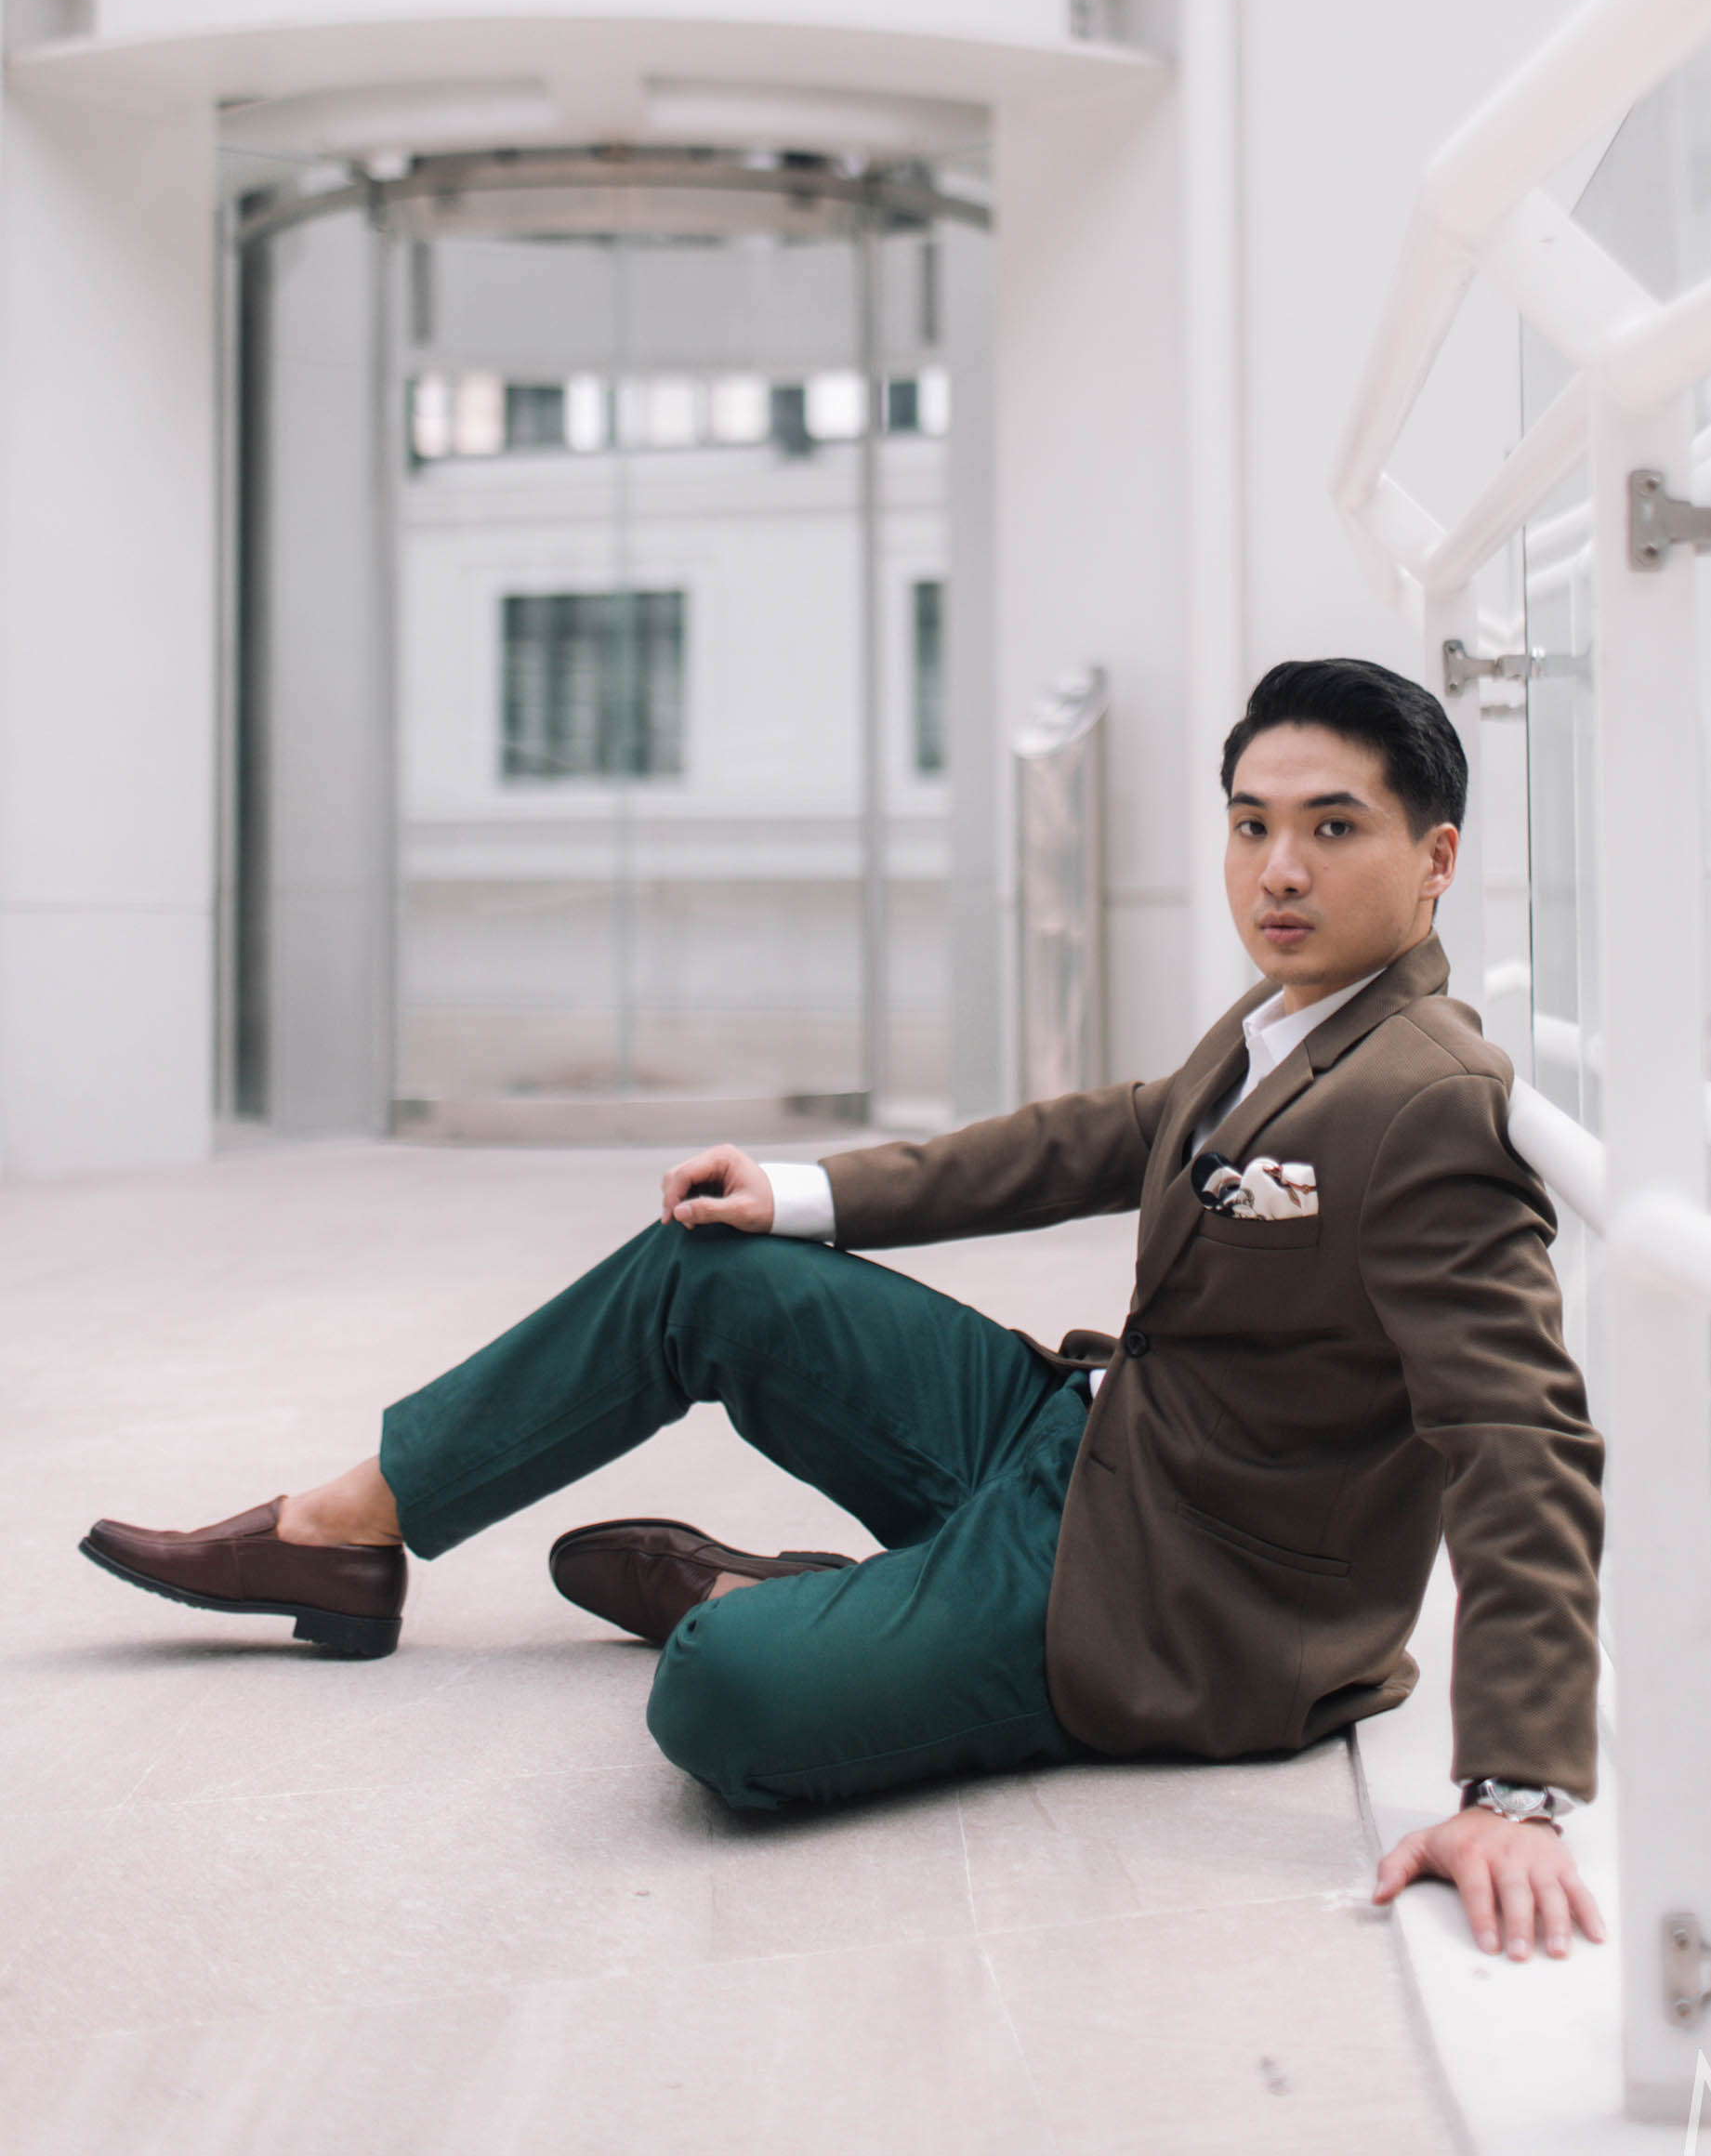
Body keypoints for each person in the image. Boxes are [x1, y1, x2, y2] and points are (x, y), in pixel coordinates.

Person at [82, 656, 1606, 1965]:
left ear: (1434, 858)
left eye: (1333, 827)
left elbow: (1521, 1438)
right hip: (1079, 1436)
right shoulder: (1290, 1018)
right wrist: (801, 1191)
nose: (1278, 870)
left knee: (723, 1699)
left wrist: (1517, 1794)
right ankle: (345, 1532)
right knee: (705, 1268)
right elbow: (1098, 1135)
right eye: (1253, 824)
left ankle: (782, 1608)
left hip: (1159, 1603)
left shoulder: (1429, 1101)